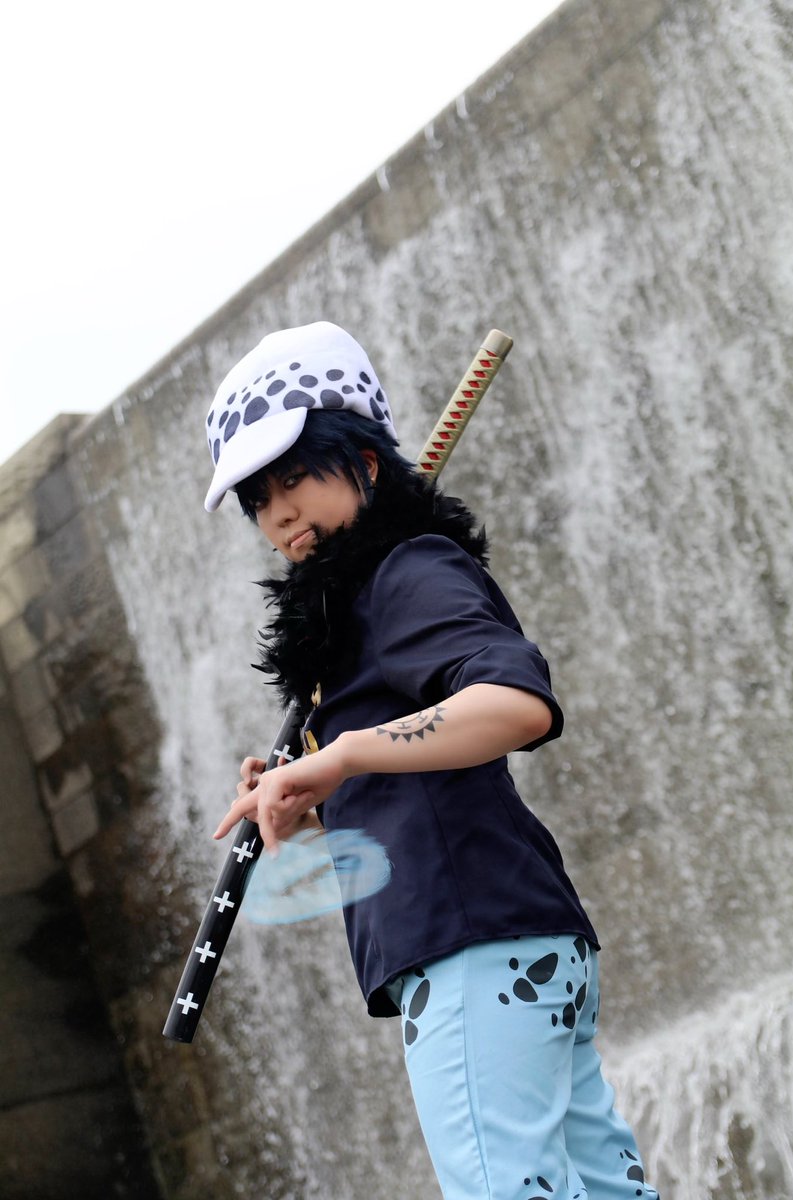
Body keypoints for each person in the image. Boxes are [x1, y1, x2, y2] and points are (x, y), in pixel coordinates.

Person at [208, 322, 659, 1200]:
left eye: (295, 475)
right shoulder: (358, 609)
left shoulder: (406, 569)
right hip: (514, 937)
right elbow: (408, 795)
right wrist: (308, 803)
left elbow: (515, 704)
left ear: (364, 461)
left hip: (473, 948)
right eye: (258, 499)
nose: (281, 513)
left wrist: (340, 755)